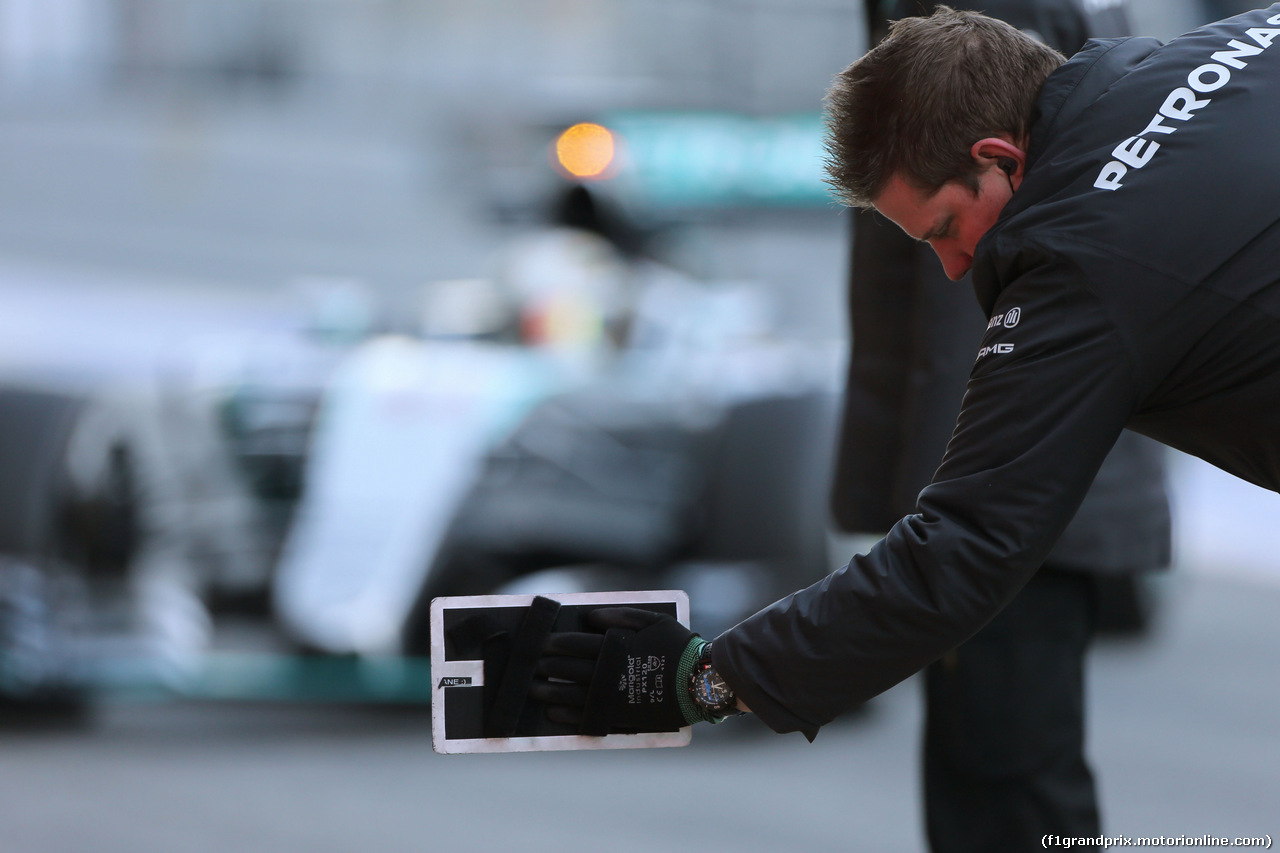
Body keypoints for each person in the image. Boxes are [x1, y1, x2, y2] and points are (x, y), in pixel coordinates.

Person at [529, 0, 1280, 827]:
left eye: (947, 230)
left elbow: (957, 553)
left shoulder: (1078, 264)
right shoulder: (1222, 45)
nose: (957, 270)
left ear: (999, 157)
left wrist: (706, 676)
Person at [831, 2, 1169, 849]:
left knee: (1008, 782)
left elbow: (1000, 284)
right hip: (1011, 476)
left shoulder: (982, 35)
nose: (949, 261)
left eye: (944, 234)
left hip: (1013, 480)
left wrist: (949, 523)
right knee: (993, 772)